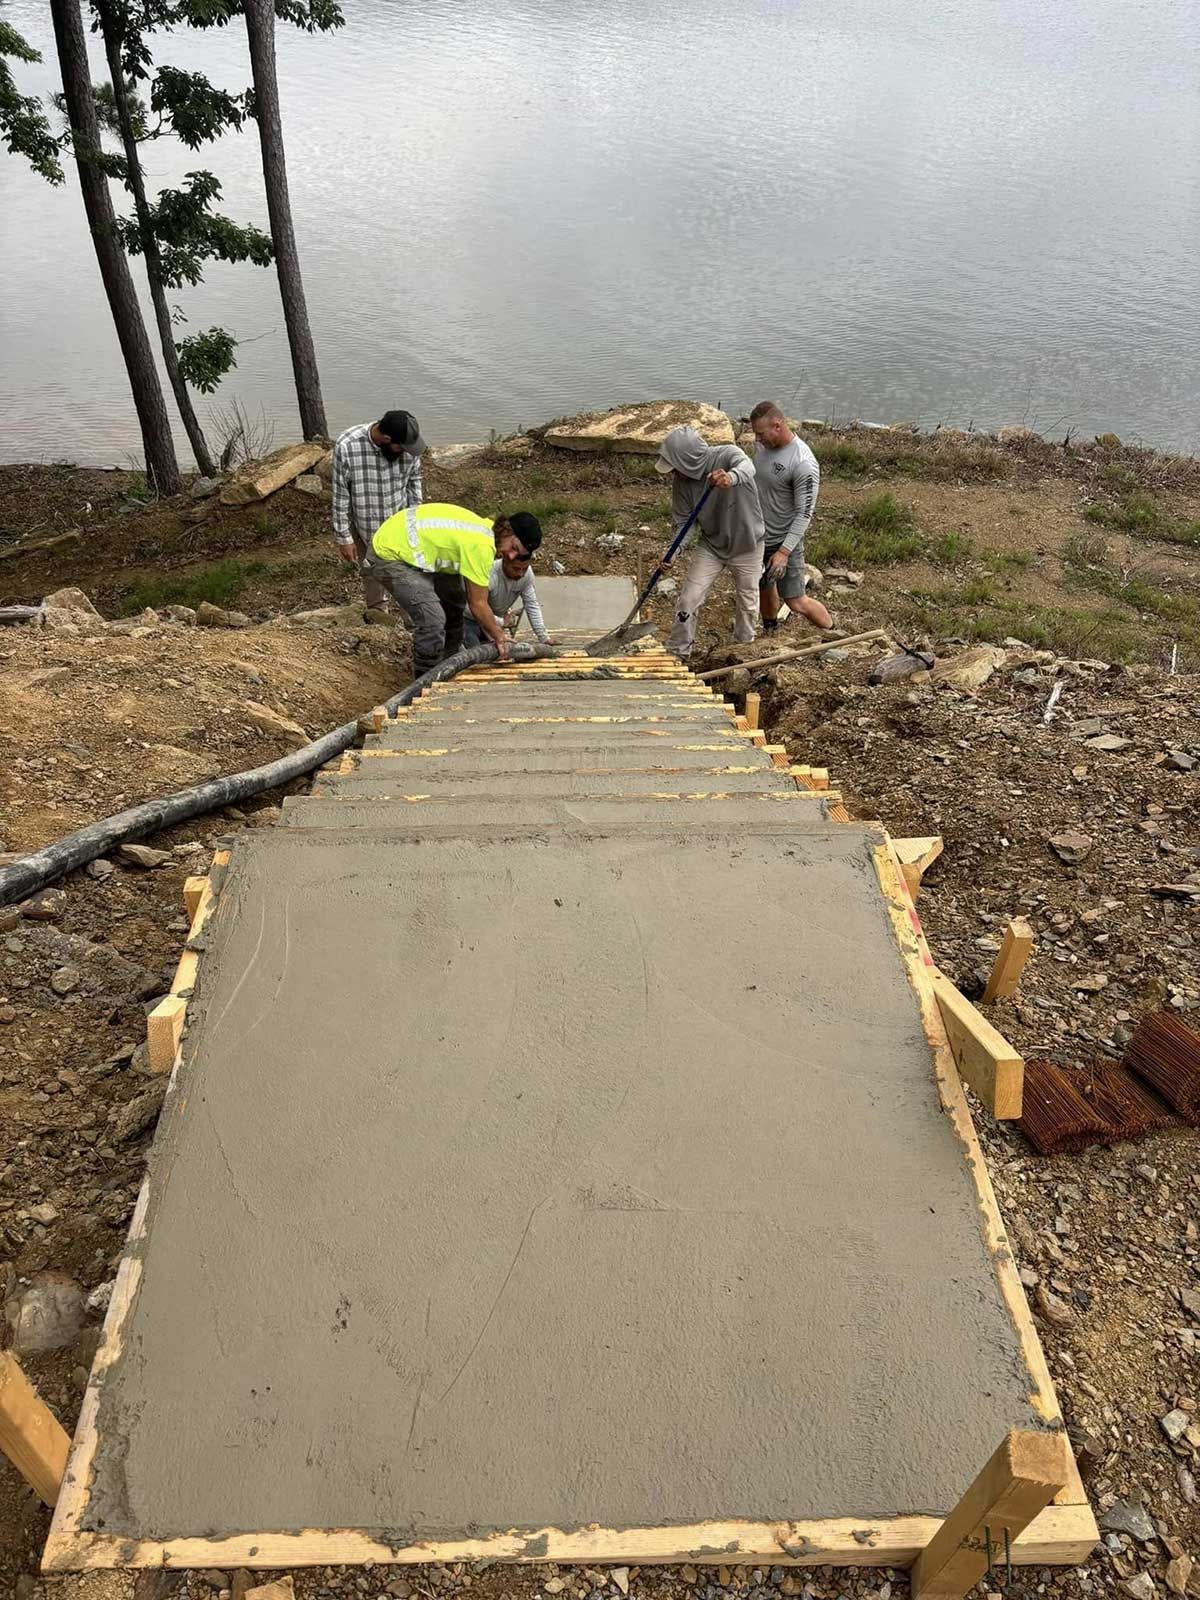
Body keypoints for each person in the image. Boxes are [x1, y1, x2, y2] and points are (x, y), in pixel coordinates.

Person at [363, 504, 544, 676]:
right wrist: (499, 635)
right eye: (513, 547)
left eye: (517, 554)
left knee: (454, 599)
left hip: (414, 549)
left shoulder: (483, 531)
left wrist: (488, 627)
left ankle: (449, 663)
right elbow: (478, 604)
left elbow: (473, 604)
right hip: (390, 553)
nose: (511, 556)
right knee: (432, 619)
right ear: (506, 530)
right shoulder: (481, 545)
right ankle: (425, 680)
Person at [656, 425, 765, 661]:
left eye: (676, 467)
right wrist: (674, 551)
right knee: (688, 599)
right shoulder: (682, 484)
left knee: (747, 603)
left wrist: (731, 477)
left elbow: (749, 466)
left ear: (688, 460)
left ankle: (742, 652)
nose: (674, 473)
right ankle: (678, 652)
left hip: (749, 546)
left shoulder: (726, 455)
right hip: (712, 546)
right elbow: (685, 522)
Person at [331, 409, 426, 615]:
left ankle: (413, 617)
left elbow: (414, 482)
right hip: (364, 523)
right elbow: (340, 494)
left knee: (408, 572)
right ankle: (378, 615)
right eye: (400, 447)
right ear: (385, 438)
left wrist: (415, 519)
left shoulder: (408, 447)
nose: (405, 451)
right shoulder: (348, 445)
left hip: (399, 522)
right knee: (370, 571)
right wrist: (344, 537)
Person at [749, 401, 833, 633]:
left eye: (760, 433)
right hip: (759, 538)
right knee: (764, 585)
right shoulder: (764, 447)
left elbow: (804, 514)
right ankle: (770, 629)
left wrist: (784, 553)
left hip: (783, 542)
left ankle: (833, 631)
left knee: (796, 601)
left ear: (777, 426)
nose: (757, 439)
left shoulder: (803, 463)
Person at [463, 517, 551, 646]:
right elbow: (471, 606)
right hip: (470, 620)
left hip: (491, 622)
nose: (520, 574)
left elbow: (531, 604)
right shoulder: (490, 572)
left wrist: (544, 637)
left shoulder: (527, 575)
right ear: (504, 561)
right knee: (473, 652)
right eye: (516, 569)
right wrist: (501, 622)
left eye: (524, 569)